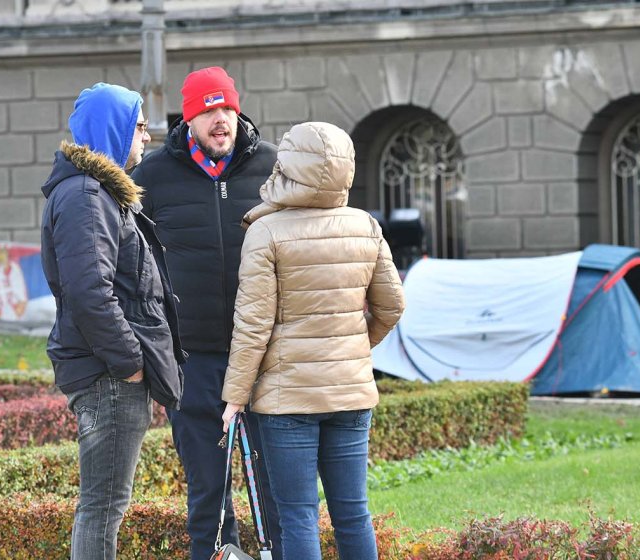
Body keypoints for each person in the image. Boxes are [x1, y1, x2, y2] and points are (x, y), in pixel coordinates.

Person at [220, 121, 406, 560]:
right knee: (354, 513)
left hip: (288, 400)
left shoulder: (266, 232)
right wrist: (353, 350)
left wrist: (234, 397)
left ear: (289, 166)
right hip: (351, 393)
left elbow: (253, 325)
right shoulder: (365, 226)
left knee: (298, 515)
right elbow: (392, 307)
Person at [130, 66, 284, 559]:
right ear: (189, 118)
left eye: (227, 109)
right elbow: (126, 262)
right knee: (208, 500)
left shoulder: (275, 169)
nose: (220, 120)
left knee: (276, 493)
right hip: (190, 359)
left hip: (262, 355)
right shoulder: (150, 176)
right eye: (208, 110)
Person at [39, 82, 185, 560]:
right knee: (103, 507)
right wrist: (130, 363)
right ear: (114, 128)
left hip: (109, 372)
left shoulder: (96, 192)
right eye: (140, 126)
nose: (147, 136)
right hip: (109, 375)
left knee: (105, 506)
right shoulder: (86, 195)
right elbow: (90, 293)